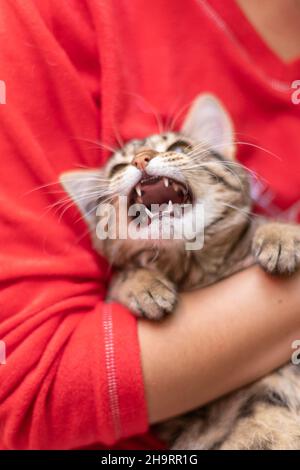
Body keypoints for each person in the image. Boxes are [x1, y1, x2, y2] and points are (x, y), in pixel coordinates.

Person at [0, 0, 299, 450]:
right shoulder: (46, 17)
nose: (142, 160)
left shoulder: (258, 233)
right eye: (120, 168)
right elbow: (31, 388)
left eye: (175, 146)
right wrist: (131, 283)